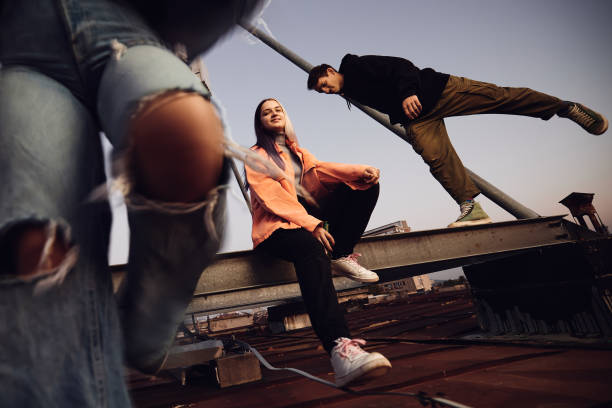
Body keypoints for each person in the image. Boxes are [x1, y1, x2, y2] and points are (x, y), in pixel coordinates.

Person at [0, 1, 260, 406]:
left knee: (176, 125)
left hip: (86, 36)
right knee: (32, 244)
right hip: (67, 43)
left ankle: (151, 314)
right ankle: (151, 316)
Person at [307, 54, 609, 227]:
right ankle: (471, 207)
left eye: (325, 85)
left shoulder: (357, 65)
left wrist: (408, 91)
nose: (327, 91)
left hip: (437, 92)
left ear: (331, 71)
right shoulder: (351, 92)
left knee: (501, 98)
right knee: (434, 157)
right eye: (322, 92)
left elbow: (401, 67)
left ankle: (564, 107)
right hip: (418, 118)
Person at [244, 98, 391, 387]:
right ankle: (339, 348)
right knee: (311, 250)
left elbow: (322, 172)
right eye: (266, 112)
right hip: (276, 229)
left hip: (306, 220)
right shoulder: (256, 155)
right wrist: (312, 225)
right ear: (260, 122)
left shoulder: (298, 152)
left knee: (364, 186)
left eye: (278, 109)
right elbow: (274, 199)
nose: (273, 113)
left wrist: (359, 171)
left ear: (286, 117)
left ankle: (341, 253)